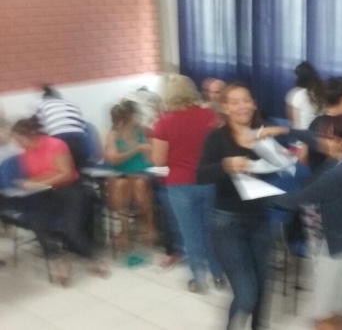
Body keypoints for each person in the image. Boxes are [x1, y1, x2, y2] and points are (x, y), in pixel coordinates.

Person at [197, 83, 287, 330]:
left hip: (260, 219)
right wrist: (226, 166)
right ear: (225, 108)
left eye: (246, 100)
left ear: (254, 103)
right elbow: (201, 175)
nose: (242, 106)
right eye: (234, 102)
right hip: (226, 223)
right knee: (247, 294)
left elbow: (275, 170)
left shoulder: (262, 136)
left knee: (262, 287)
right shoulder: (217, 137)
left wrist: (283, 160)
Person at [275, 114, 342, 330]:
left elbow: (295, 201)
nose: (322, 142)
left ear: (341, 143)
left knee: (325, 312)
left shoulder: (336, 175)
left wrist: (260, 194)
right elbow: (313, 138)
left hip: (338, 248)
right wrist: (286, 130)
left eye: (328, 138)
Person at [11, 117, 109, 286]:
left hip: (70, 189)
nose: (18, 144)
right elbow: (37, 175)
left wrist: (42, 182)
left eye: (19, 139)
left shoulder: (56, 145)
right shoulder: (27, 152)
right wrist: (28, 183)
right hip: (46, 192)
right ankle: (57, 260)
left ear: (31, 135)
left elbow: (67, 174)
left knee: (72, 229)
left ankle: (92, 258)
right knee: (37, 222)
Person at [151, 74, 225, 293]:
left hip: (180, 185)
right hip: (208, 181)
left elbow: (158, 160)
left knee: (190, 235)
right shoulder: (210, 116)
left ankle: (198, 280)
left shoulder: (164, 123)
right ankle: (218, 275)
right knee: (209, 232)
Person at [104, 101, 157, 250]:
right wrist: (136, 149)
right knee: (121, 185)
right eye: (135, 115)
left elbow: (150, 158)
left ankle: (149, 224)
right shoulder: (113, 135)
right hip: (122, 173)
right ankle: (124, 229)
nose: (137, 117)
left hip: (141, 172)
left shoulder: (140, 131)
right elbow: (113, 159)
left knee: (140, 183)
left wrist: (149, 153)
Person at [35, 85, 89, 170]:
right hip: (79, 138)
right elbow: (84, 126)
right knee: (79, 166)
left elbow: (40, 128)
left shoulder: (42, 105)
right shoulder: (72, 104)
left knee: (61, 167)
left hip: (58, 138)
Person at [286, 61, 324, 129]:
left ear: (298, 77)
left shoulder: (295, 94)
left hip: (300, 133)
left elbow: (291, 119)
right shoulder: (321, 91)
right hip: (319, 132)